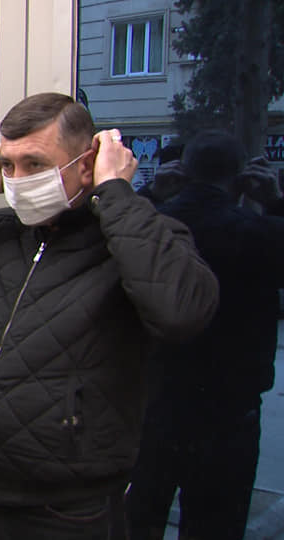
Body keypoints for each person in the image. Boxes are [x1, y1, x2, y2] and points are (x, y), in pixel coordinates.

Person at [0, 92, 219, 539]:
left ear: (86, 165)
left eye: (35, 164)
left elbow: (181, 311)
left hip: (69, 510)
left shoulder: (129, 240)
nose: (17, 179)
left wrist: (114, 192)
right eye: (8, 165)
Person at [127, 130, 284, 540]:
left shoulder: (156, 228)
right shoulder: (261, 233)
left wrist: (151, 195)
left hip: (153, 404)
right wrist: (275, 201)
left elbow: (111, 241)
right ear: (241, 177)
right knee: (216, 525)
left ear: (184, 172)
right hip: (230, 413)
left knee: (137, 520)